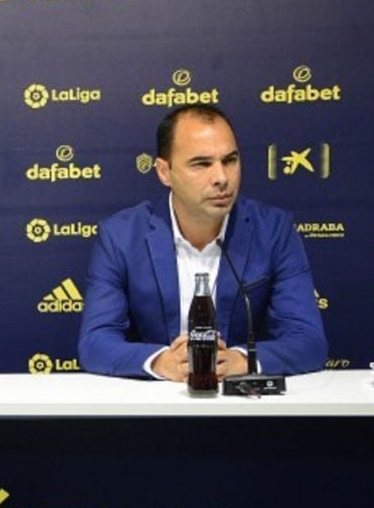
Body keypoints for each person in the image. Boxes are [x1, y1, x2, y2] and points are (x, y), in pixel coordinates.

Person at [78, 104, 327, 381]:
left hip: (244, 407)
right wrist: (161, 362)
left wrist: (241, 359)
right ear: (164, 171)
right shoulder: (120, 236)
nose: (221, 178)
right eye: (201, 164)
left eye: (230, 161)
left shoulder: (274, 230)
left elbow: (309, 341)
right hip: (156, 406)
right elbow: (95, 342)